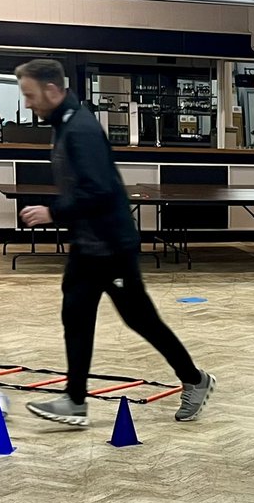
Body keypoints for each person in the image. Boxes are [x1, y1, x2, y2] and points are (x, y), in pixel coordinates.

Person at [14, 59, 214, 426]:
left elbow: (100, 191)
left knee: (141, 320)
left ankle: (195, 379)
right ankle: (75, 401)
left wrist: (53, 213)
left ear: (53, 91)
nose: (28, 104)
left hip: (111, 247)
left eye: (30, 95)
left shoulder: (81, 129)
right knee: (75, 315)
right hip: (88, 245)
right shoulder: (65, 124)